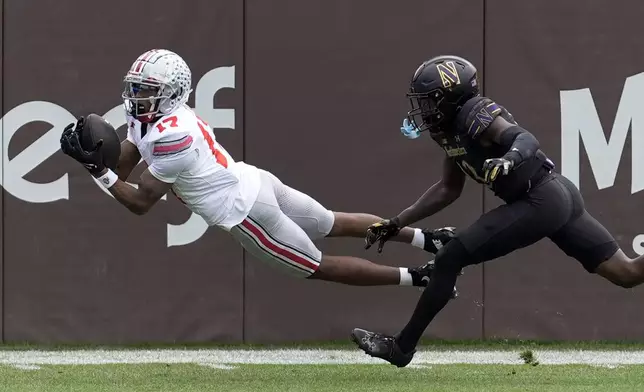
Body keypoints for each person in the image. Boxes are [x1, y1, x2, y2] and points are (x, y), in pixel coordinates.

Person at [59, 48, 457, 290]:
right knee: (333, 221)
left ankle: (419, 277)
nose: (135, 97)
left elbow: (141, 201)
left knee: (318, 267)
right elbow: (124, 165)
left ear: (171, 92)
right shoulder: (156, 119)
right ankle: (429, 239)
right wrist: (101, 160)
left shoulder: (170, 135)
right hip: (254, 181)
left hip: (246, 214)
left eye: (145, 90)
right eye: (135, 87)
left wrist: (97, 170)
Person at [351, 55, 644, 367]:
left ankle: (402, 347)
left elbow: (524, 138)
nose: (424, 110)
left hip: (541, 198)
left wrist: (510, 159)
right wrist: (398, 221)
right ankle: (402, 347)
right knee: (627, 273)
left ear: (450, 96)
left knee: (450, 257)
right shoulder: (448, 130)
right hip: (553, 196)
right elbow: (448, 188)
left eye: (430, 101)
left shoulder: (473, 112)